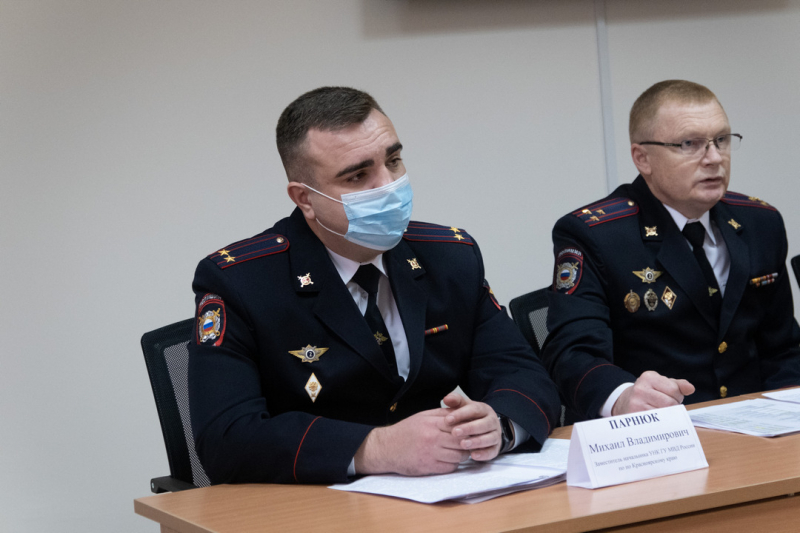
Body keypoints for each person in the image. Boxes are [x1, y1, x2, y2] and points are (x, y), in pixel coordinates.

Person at [188, 86, 560, 484]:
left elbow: (523, 373)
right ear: (305, 199)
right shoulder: (242, 281)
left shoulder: (450, 256)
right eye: (358, 175)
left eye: (394, 161)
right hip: (317, 503)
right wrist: (375, 448)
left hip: (446, 493)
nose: (388, 185)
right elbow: (225, 438)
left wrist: (498, 425)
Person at [542, 80, 800, 422]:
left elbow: (783, 347)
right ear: (643, 158)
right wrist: (621, 397)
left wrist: (788, 418)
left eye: (721, 140)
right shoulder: (597, 234)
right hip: (657, 429)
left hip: (759, 425)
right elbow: (572, 353)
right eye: (689, 144)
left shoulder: (760, 222)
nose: (714, 158)